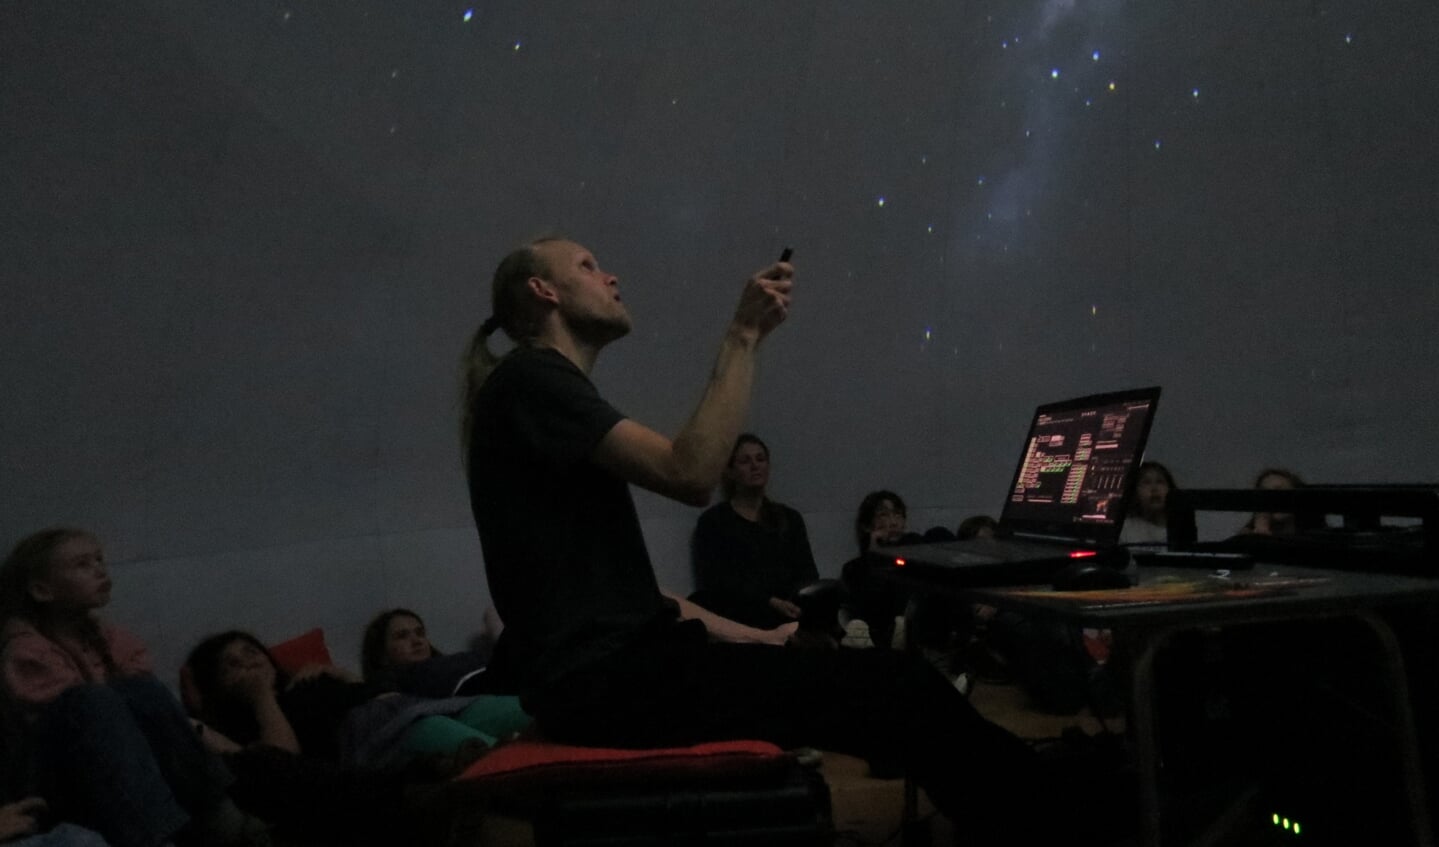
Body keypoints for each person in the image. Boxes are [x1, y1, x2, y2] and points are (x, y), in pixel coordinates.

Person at [460, 237, 1091, 843]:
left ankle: (1049, 810)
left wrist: (764, 636)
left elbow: (628, 598)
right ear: (543, 291)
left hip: (618, 678)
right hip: (611, 690)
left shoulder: (535, 397)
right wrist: (743, 337)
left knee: (894, 688)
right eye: (588, 264)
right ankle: (1067, 826)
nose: (611, 276)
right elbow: (692, 472)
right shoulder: (533, 380)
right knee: (898, 688)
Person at [0, 528, 268, 847]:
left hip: (113, 768)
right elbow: (81, 722)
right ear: (42, 590)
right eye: (82, 565)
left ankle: (218, 814)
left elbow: (137, 697)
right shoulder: (25, 652)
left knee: (141, 690)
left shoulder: (106, 636)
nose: (100, 569)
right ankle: (156, 837)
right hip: (54, 782)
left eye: (99, 560)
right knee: (92, 701)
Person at [185, 630, 527, 771]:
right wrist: (262, 697)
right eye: (233, 664)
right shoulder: (251, 722)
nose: (249, 662)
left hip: (411, 706)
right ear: (217, 685)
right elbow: (283, 765)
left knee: (516, 709)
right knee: (494, 758)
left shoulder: (306, 682)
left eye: (252, 652)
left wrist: (337, 675)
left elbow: (366, 688)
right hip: (378, 738)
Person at [690, 434, 820, 629]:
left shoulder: (790, 519)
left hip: (790, 617)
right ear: (731, 471)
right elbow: (716, 583)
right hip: (739, 619)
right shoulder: (714, 522)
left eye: (760, 459)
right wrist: (767, 601)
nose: (755, 466)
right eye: (745, 461)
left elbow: (807, 573)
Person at [1119, 461, 1176, 545]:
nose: (1154, 489)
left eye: (1160, 482)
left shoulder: (1181, 529)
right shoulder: (1125, 530)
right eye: (1146, 482)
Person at [1242, 467, 1306, 535]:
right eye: (1265, 493)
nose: (1270, 498)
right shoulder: (1246, 536)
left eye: (1279, 492)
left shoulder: (1311, 536)